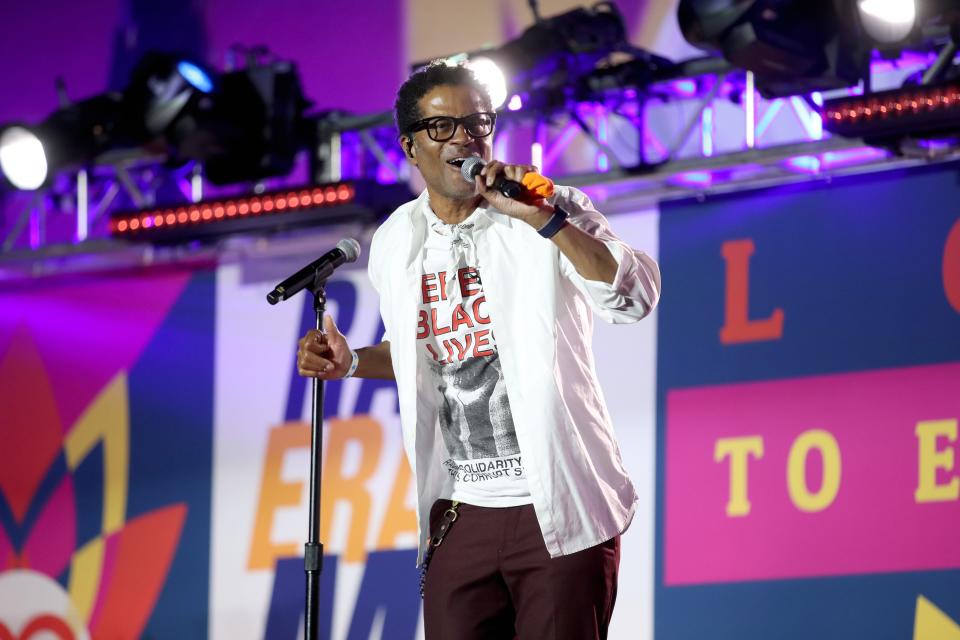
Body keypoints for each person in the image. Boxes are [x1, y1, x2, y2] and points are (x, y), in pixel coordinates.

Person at [297, 63, 660, 640]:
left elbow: (633, 298)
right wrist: (351, 362)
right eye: (443, 127)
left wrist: (546, 219)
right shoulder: (396, 239)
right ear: (411, 147)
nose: (465, 137)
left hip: (559, 505)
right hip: (459, 511)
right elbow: (421, 352)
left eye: (476, 122)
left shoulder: (550, 208)